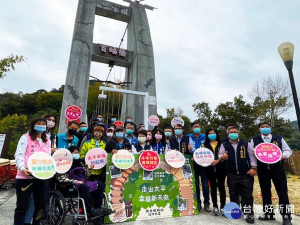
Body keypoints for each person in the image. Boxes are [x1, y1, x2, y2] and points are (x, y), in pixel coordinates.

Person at [250, 122, 293, 225]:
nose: (265, 128)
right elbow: (251, 154)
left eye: (267, 127)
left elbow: (288, 150)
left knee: (282, 192)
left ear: (270, 128)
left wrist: (283, 155)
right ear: (259, 129)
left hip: (277, 169)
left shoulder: (278, 138)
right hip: (262, 169)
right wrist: (254, 167)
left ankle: (286, 216)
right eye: (263, 127)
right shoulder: (254, 140)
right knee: (265, 191)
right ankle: (268, 214)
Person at [57, 146, 113, 218]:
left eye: (78, 152)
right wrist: (75, 181)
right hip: (71, 185)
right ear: (70, 154)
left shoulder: (80, 163)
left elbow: (86, 176)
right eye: (75, 153)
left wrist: (89, 169)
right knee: (84, 186)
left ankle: (97, 208)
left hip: (83, 181)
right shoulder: (64, 164)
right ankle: (90, 209)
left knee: (99, 184)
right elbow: (61, 178)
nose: (77, 154)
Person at [14, 118, 51, 225]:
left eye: (43, 124)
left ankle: (36, 223)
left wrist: (50, 170)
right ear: (33, 125)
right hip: (25, 178)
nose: (41, 126)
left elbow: (48, 157)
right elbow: (19, 154)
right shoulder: (25, 138)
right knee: (22, 206)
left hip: (41, 177)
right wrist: (22, 168)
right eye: (38, 124)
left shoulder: (47, 140)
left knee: (41, 205)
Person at [219, 127, 257, 224]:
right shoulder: (224, 144)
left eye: (235, 132)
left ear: (238, 133)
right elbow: (220, 155)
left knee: (247, 195)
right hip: (232, 174)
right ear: (227, 134)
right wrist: (222, 157)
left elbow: (252, 156)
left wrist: (253, 168)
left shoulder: (246, 144)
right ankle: (235, 211)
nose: (233, 134)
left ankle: (249, 214)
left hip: (246, 174)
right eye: (231, 132)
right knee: (233, 194)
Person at [188, 122, 211, 212]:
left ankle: (207, 203)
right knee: (196, 184)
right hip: (193, 164)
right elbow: (186, 149)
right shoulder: (188, 137)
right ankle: (198, 203)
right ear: (191, 128)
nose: (197, 128)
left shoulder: (205, 137)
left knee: (205, 185)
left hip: (204, 164)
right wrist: (189, 150)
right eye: (195, 127)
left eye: (198, 126)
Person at [204, 128, 227, 216]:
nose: (212, 135)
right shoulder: (205, 145)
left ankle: (223, 207)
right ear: (207, 135)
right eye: (210, 133)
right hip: (210, 169)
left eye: (213, 133)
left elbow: (224, 156)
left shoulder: (222, 144)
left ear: (216, 134)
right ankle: (215, 206)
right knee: (213, 188)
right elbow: (201, 156)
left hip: (221, 168)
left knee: (221, 187)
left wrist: (219, 160)